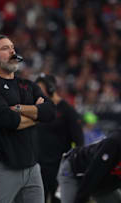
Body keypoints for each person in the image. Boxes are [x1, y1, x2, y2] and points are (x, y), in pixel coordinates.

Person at [0, 34, 56, 203]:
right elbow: (10, 121)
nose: (12, 51)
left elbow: (50, 112)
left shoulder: (27, 85)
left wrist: (20, 109)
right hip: (1, 169)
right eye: (5, 48)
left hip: (32, 168)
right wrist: (36, 114)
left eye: (12, 47)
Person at [35, 74, 84, 203]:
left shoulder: (67, 110)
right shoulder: (38, 108)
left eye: (40, 89)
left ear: (51, 89)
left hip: (59, 167)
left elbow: (79, 141)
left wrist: (73, 166)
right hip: (38, 166)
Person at [57, 130, 121, 203]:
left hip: (101, 181)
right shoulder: (114, 142)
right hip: (74, 170)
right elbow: (94, 173)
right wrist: (81, 199)